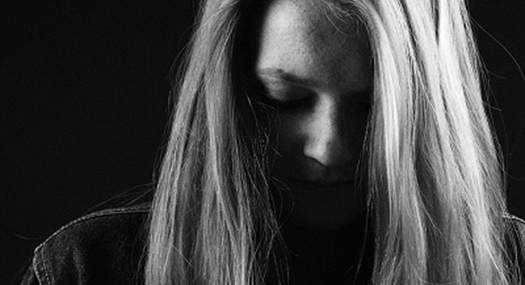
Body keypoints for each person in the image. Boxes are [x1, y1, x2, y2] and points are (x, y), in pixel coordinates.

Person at [21, 0, 525, 284]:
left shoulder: (514, 264)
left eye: (374, 109)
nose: (331, 150)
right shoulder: (86, 270)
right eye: (283, 98)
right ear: (226, 93)